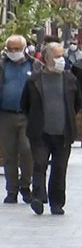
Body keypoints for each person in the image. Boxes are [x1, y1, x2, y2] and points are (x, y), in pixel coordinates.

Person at [21, 42, 82, 215]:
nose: (61, 59)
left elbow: (78, 103)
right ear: (47, 59)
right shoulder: (34, 79)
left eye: (61, 55)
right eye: (56, 56)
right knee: (39, 164)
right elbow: (25, 104)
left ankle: (57, 203)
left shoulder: (70, 79)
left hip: (63, 133)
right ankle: (38, 197)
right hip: (40, 132)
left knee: (59, 168)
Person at [0, 35, 42, 204]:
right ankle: (12, 190)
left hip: (27, 115)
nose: (13, 52)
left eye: (16, 49)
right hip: (6, 114)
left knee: (26, 150)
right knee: (9, 154)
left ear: (24, 49)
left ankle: (25, 185)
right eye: (10, 49)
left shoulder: (34, 65)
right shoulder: (2, 65)